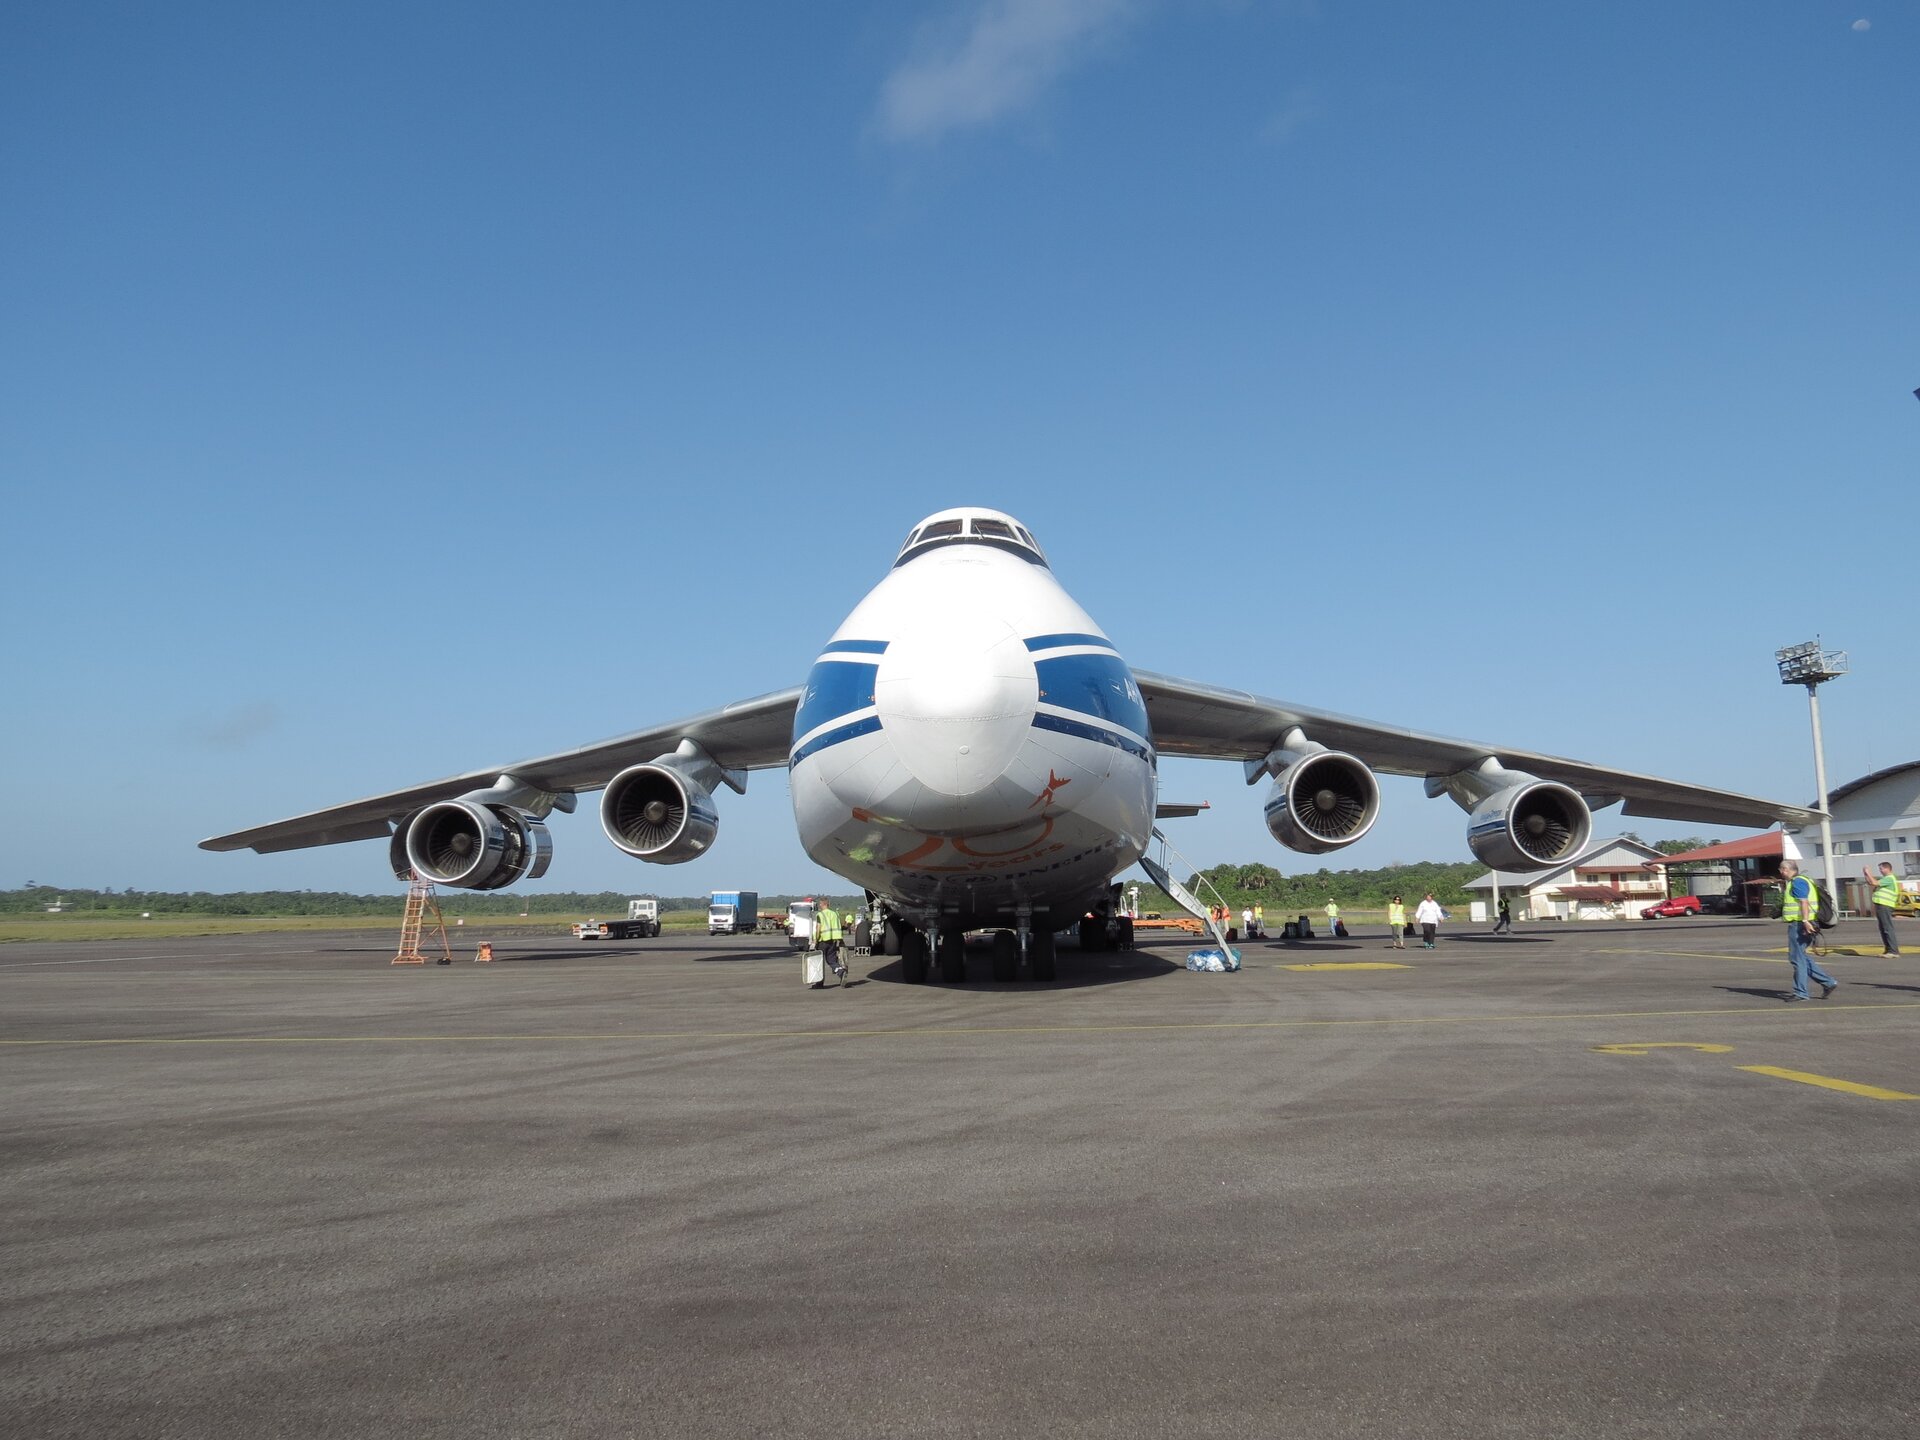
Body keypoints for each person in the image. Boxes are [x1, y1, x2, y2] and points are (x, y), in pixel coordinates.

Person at [1777, 860, 1836, 1002]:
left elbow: (1803, 902)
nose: (1780, 872)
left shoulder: (1797, 882)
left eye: (1781, 870)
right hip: (1803, 923)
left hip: (1800, 925)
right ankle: (1828, 982)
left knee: (1797, 958)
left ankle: (1801, 992)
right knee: (1801, 957)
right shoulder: (1803, 880)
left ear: (1785, 869)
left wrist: (1805, 921)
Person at [1865, 861, 1902, 957]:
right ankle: (1888, 949)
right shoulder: (1885, 879)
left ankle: (1893, 951)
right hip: (1881, 905)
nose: (1880, 871)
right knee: (1883, 928)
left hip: (1885, 905)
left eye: (1881, 868)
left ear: (1887, 868)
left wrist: (1869, 873)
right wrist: (1866, 874)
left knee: (1887, 928)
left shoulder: (1889, 878)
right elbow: (1871, 883)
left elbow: (1874, 882)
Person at [815, 901, 845, 984]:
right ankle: (840, 971)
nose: (819, 906)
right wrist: (840, 940)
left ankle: (819, 983)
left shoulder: (820, 915)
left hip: (823, 941)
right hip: (833, 941)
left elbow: (818, 928)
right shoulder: (835, 914)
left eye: (820, 904)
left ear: (823, 904)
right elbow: (838, 926)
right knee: (831, 960)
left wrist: (815, 940)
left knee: (819, 962)